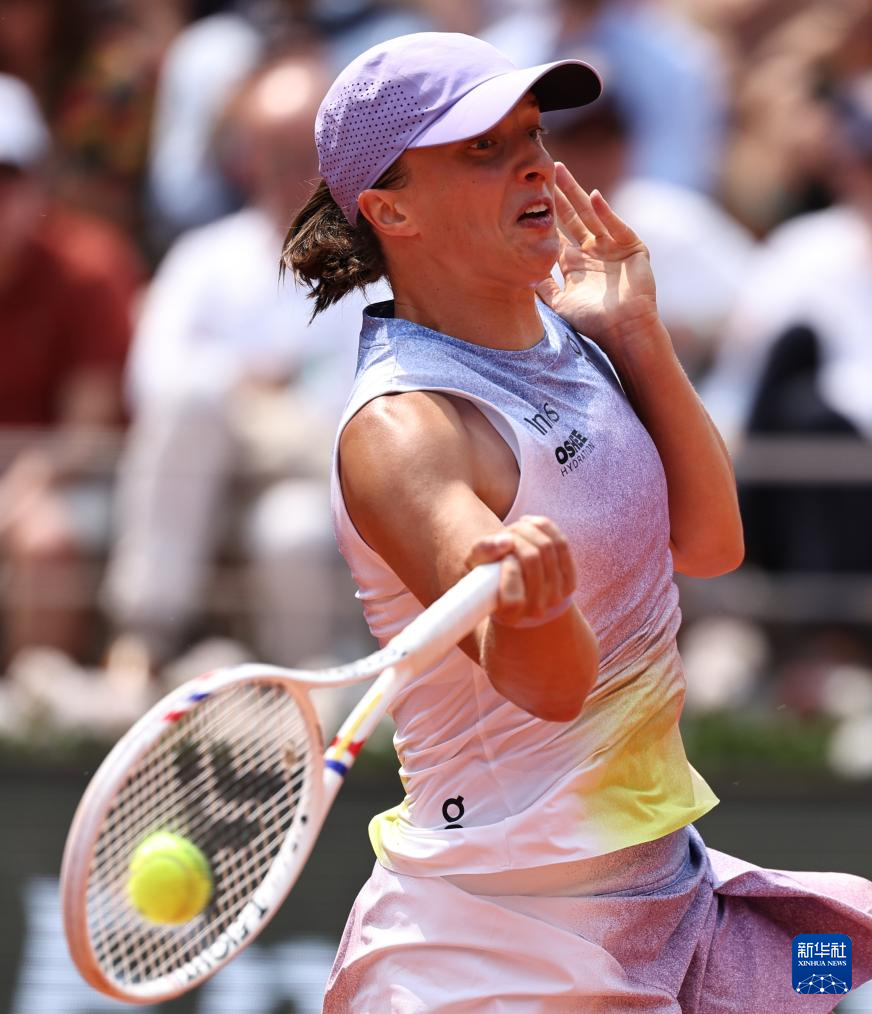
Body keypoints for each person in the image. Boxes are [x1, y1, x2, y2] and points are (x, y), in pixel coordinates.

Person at [284, 32, 872, 1012]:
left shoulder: (576, 336)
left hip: (663, 899)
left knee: (844, 964)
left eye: (531, 134)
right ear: (390, 209)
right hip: (500, 953)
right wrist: (534, 607)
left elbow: (711, 546)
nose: (532, 162)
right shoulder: (403, 431)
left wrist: (637, 334)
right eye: (483, 148)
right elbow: (549, 687)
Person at [0, 73, 141, 675]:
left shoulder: (91, 266)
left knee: (46, 542)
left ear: (39, 181)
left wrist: (18, 490)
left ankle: (32, 712)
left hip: (75, 478)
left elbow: (85, 434)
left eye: (6, 178)